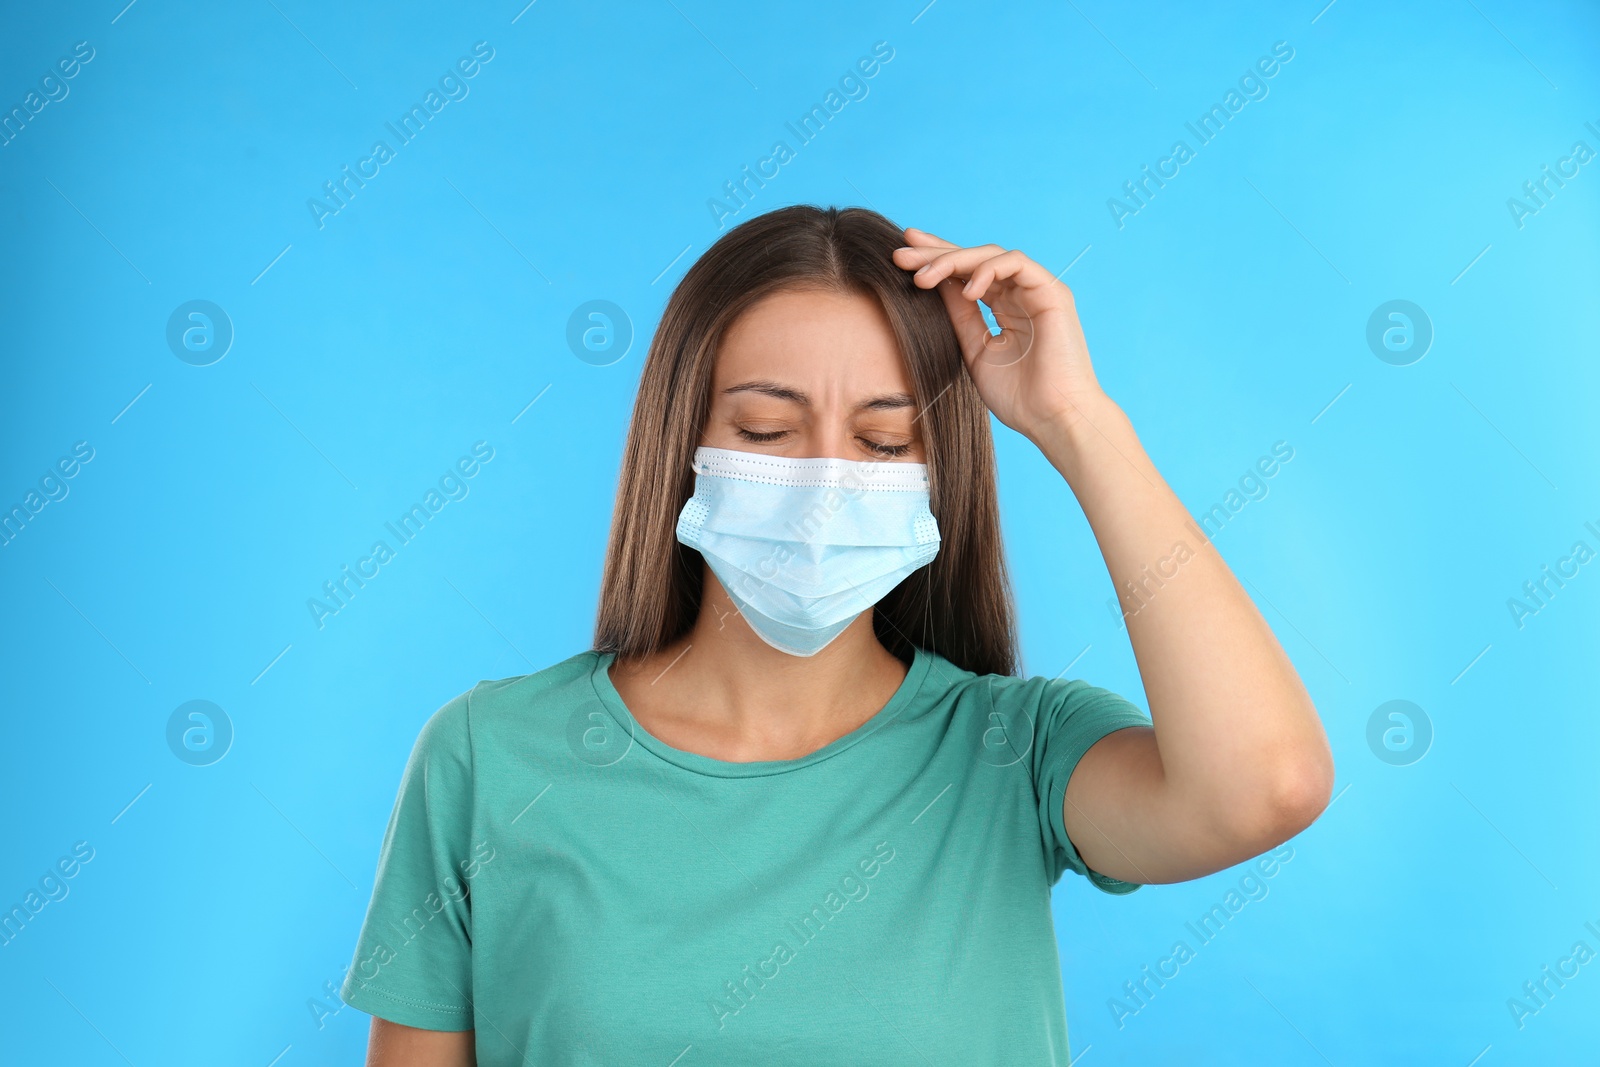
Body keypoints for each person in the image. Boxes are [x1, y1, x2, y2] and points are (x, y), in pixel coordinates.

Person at [339, 205, 1335, 1065]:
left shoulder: (1013, 754)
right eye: (767, 431)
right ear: (681, 443)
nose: (824, 481)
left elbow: (1265, 786)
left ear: (937, 469)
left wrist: (1078, 420)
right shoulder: (493, 754)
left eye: (883, 439)